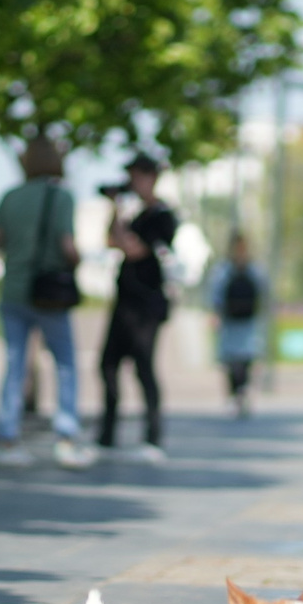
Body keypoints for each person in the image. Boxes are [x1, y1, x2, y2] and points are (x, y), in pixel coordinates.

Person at [0, 136, 93, 469]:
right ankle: (65, 437)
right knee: (64, 365)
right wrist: (77, 261)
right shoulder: (62, 197)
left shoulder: (9, 197)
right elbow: (67, 246)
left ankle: (8, 439)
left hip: (13, 291)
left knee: (15, 365)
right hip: (49, 294)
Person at [98, 153, 178, 461]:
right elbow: (112, 241)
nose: (132, 182)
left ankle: (153, 437)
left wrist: (121, 218)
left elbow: (133, 249)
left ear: (150, 177)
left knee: (144, 367)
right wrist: (114, 208)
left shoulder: (162, 215)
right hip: (124, 301)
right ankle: (107, 435)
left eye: (137, 175)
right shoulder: (134, 214)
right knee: (107, 365)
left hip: (148, 304)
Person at [208, 230, 266, 416]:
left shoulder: (251, 269)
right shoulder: (226, 269)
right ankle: (235, 393)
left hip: (246, 320)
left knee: (245, 358)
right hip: (231, 319)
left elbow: (262, 292)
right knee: (232, 360)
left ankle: (241, 391)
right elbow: (216, 294)